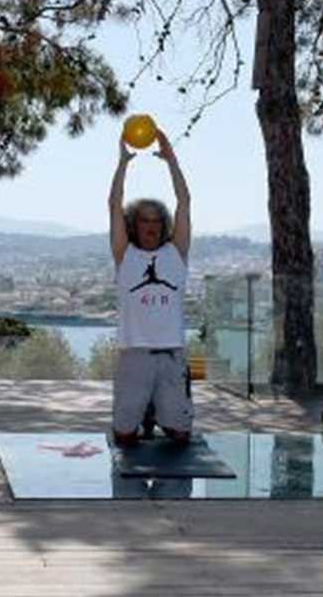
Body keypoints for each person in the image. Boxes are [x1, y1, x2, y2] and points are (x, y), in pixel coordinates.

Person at [108, 129, 193, 446]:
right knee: (124, 435)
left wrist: (171, 160)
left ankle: (158, 411)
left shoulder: (176, 253)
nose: (151, 226)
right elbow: (114, 205)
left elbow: (184, 201)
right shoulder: (124, 255)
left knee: (180, 434)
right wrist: (122, 164)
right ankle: (142, 411)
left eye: (156, 221)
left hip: (171, 354)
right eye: (144, 220)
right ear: (134, 224)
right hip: (135, 354)